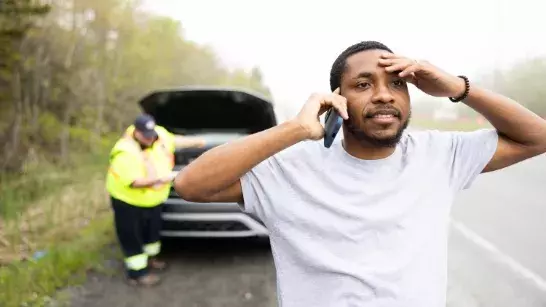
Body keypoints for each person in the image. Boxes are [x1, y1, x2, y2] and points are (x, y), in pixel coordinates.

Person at [173, 41, 546, 306]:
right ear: (337, 99)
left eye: (397, 83)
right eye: (363, 84)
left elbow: (537, 137)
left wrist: (459, 88)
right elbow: (191, 185)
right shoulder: (290, 168)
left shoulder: (440, 154)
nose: (384, 95)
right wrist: (296, 129)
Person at [106, 114, 205, 287]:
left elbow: (174, 140)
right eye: (146, 135)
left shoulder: (158, 134)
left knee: (151, 235)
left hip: (153, 201)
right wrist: (167, 178)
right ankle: (137, 274)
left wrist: (198, 141)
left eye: (152, 134)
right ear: (136, 133)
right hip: (129, 202)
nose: (151, 138)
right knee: (132, 238)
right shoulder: (125, 152)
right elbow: (135, 182)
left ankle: (151, 259)